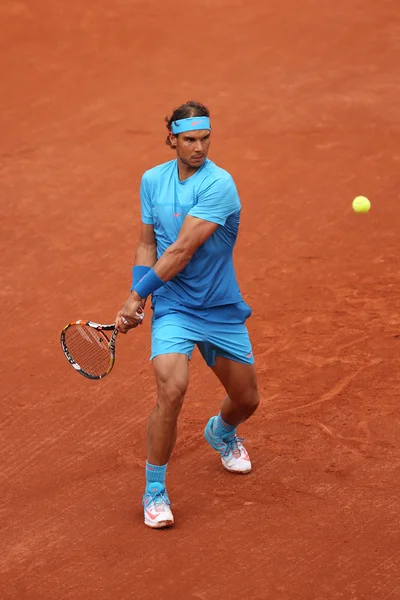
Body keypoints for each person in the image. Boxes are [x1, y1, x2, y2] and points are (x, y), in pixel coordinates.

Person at [115, 100, 259, 529]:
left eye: (205, 138)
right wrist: (139, 295)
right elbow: (148, 243)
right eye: (190, 140)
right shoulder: (152, 180)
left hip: (219, 307)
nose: (200, 147)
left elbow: (180, 250)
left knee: (247, 400)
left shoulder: (220, 185)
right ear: (173, 139)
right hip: (175, 306)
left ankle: (222, 432)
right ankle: (154, 491)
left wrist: (136, 295)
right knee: (171, 390)